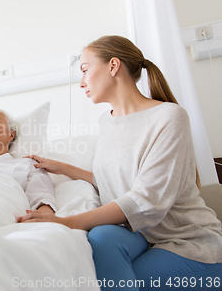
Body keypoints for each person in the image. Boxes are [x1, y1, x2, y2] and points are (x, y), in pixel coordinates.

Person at [18, 36, 222, 290]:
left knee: (113, 280)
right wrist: (62, 167)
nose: (81, 83)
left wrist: (64, 222)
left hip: (188, 242)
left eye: (85, 70)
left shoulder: (169, 117)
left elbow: (147, 200)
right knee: (101, 236)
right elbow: (114, 183)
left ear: (113, 66)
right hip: (143, 236)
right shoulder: (108, 121)